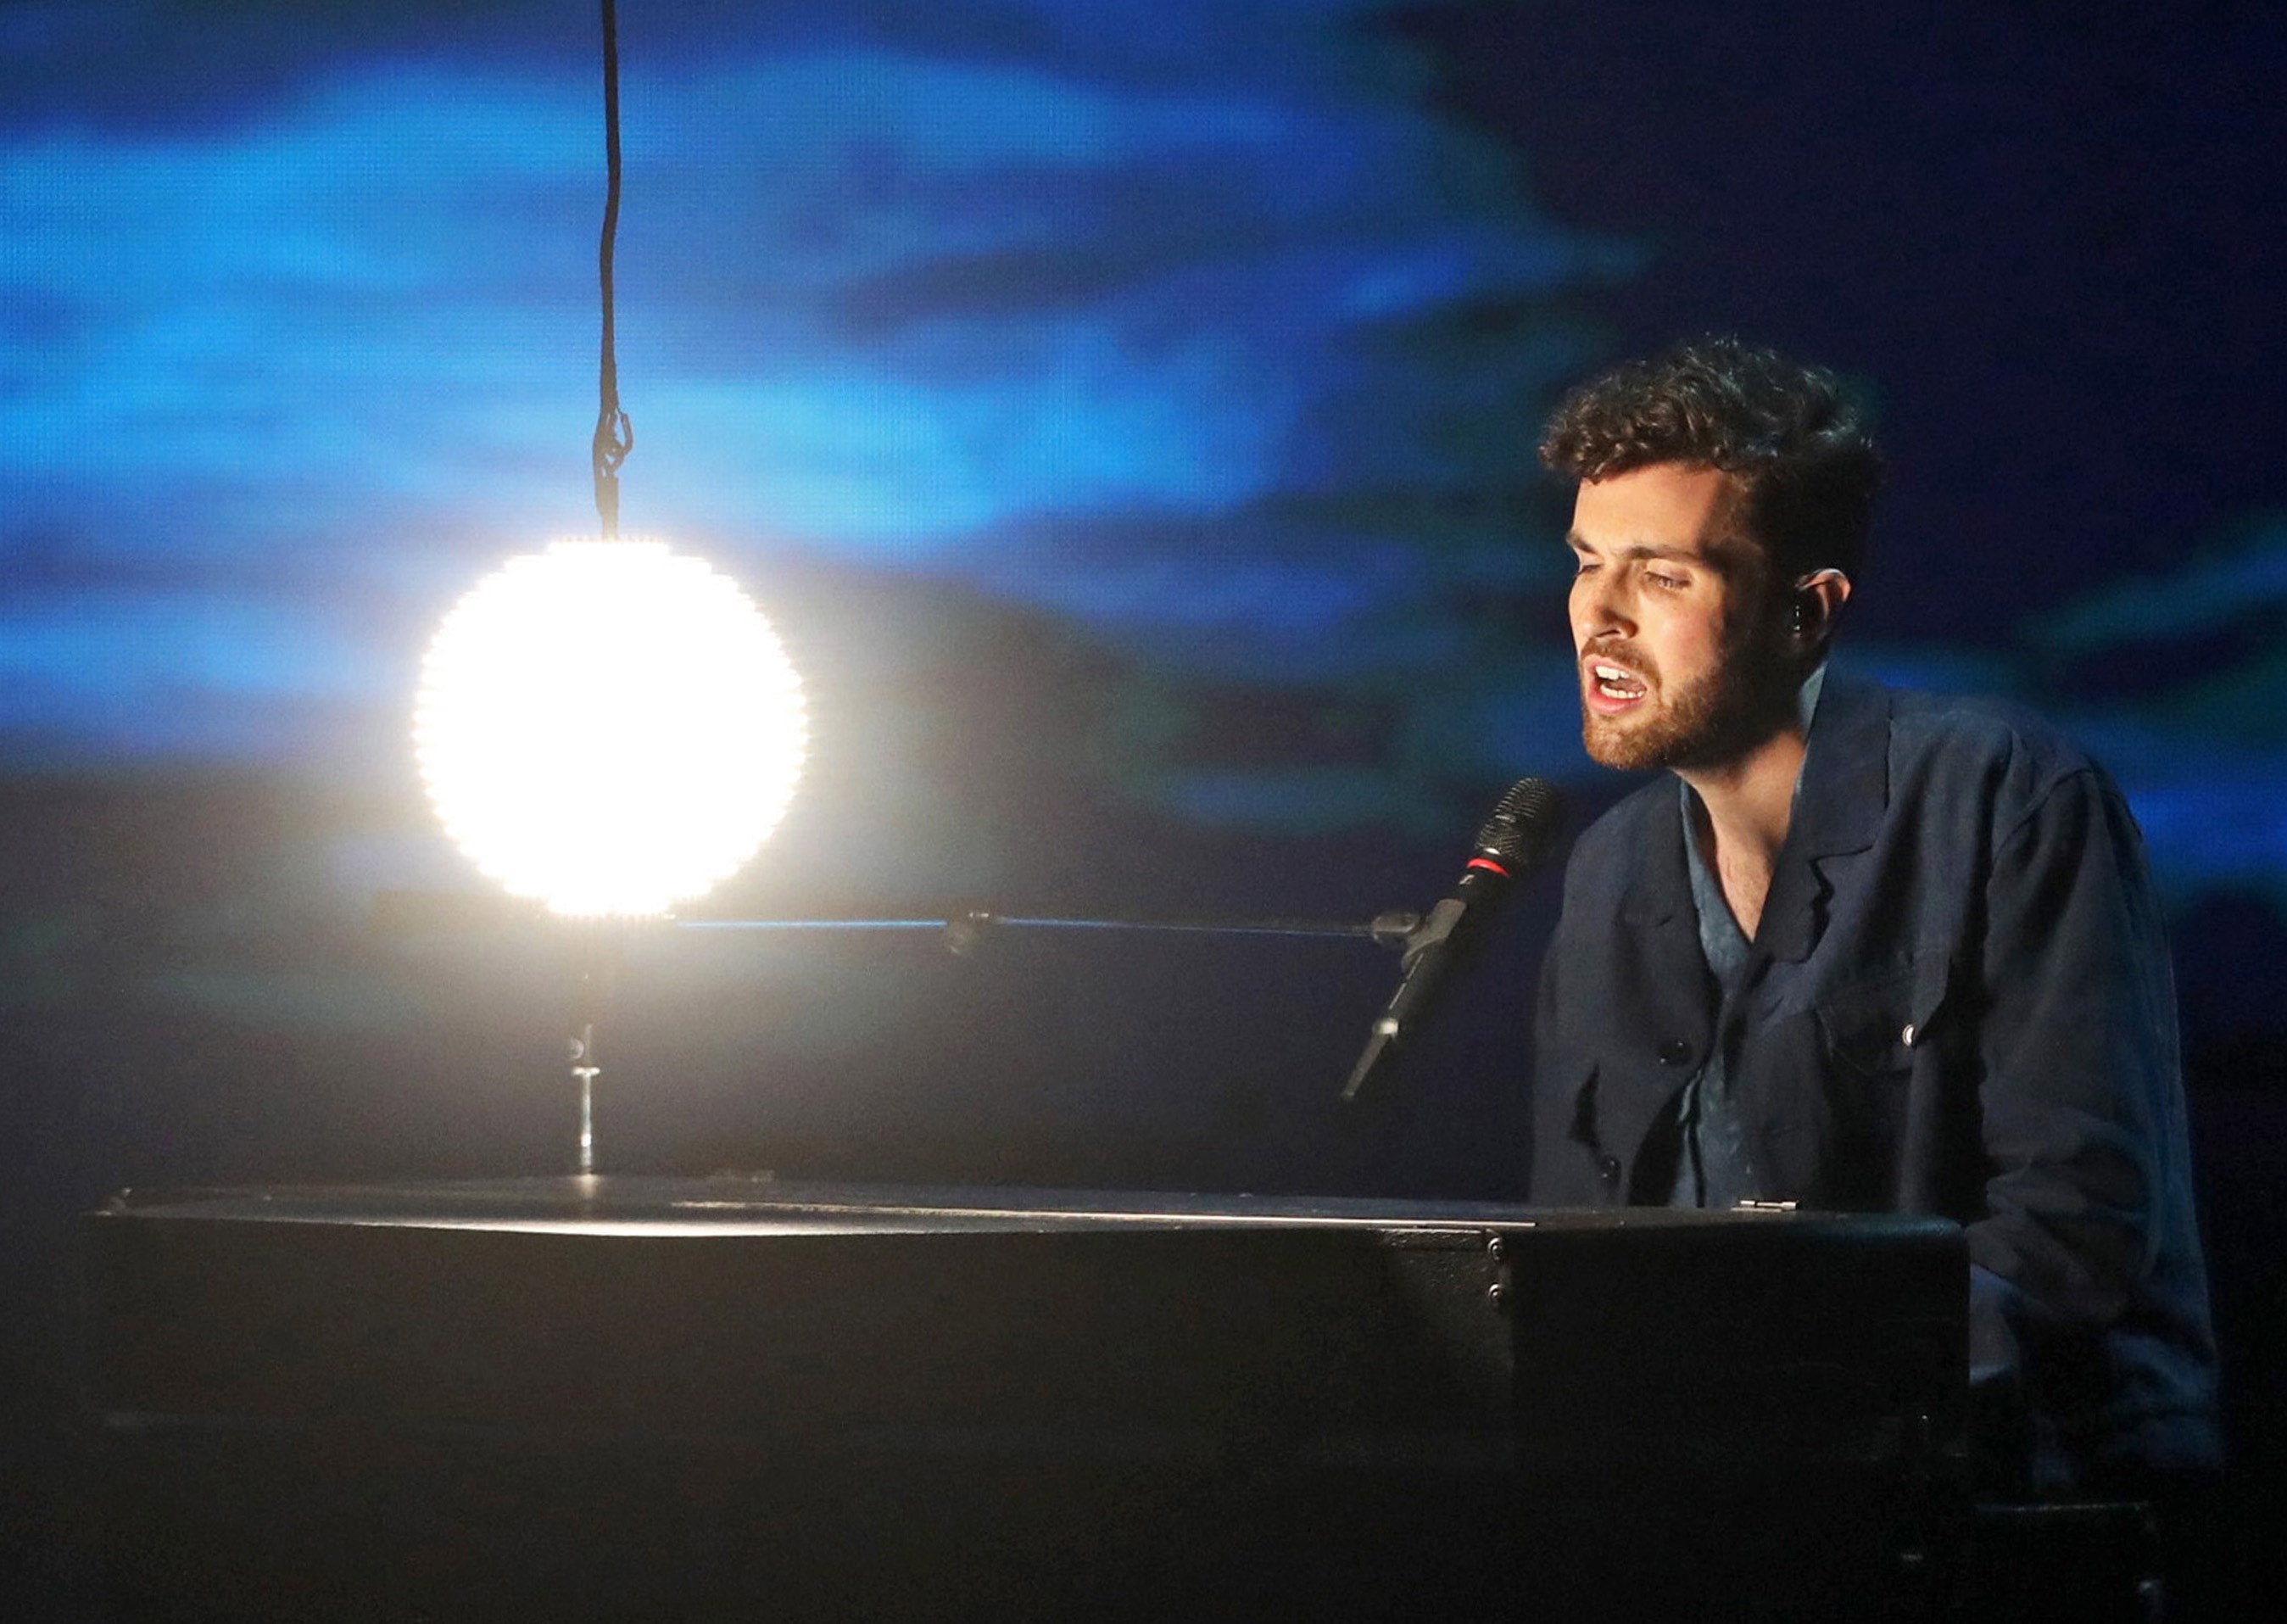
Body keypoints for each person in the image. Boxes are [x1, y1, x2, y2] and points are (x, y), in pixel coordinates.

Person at [1526, 338, 2219, 1498]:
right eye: (1588, 563)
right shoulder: (1608, 872)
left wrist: (1789, 1397)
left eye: (1662, 577)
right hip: (1711, 1502)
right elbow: (1571, 1247)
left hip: (2002, 1495)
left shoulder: (2000, 791)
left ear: (1806, 613)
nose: (1597, 613)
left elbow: (2075, 1225)